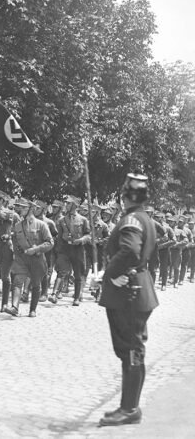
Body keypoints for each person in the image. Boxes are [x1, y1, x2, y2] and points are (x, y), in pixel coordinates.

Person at [98, 174, 158, 427]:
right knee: (132, 351)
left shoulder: (132, 219)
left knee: (132, 351)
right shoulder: (146, 218)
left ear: (125, 198)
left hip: (128, 295)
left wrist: (110, 273)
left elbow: (130, 251)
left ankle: (130, 409)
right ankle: (128, 405)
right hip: (136, 290)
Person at [5, 198, 53, 317]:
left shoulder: (41, 225)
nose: (20, 209)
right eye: (20, 207)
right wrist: (16, 254)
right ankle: (14, 307)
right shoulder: (17, 226)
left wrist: (36, 249)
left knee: (36, 284)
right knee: (17, 282)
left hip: (37, 259)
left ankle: (33, 310)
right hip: (22, 259)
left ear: (30, 209)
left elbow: (50, 242)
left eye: (23, 207)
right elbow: (15, 242)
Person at [49, 195, 91, 306]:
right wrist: (58, 251)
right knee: (61, 271)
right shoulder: (62, 220)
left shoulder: (83, 220)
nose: (66, 205)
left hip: (78, 249)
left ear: (75, 205)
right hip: (65, 249)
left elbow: (88, 235)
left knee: (78, 274)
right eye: (66, 203)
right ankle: (54, 294)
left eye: (68, 203)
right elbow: (58, 237)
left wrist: (81, 240)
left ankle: (76, 298)